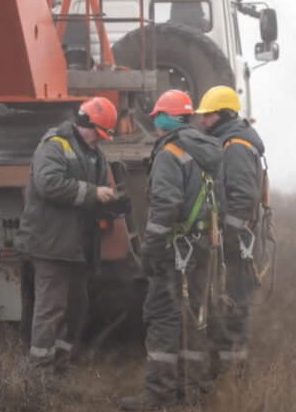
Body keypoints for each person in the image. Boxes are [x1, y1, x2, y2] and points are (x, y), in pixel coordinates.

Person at [120, 90, 223, 410]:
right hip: (202, 245)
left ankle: (157, 397)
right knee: (192, 317)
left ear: (166, 118)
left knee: (162, 317)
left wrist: (151, 250)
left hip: (174, 250)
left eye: (158, 116)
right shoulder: (207, 149)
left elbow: (165, 206)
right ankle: (188, 390)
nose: (155, 122)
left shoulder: (169, 153)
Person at [15, 96, 118, 371]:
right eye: (99, 133)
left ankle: (61, 363)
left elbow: (91, 195)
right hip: (50, 243)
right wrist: (93, 193)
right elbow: (49, 184)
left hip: (76, 246)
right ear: (85, 124)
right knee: (50, 308)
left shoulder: (95, 153)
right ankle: (40, 372)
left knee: (76, 307)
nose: (101, 139)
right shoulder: (53, 146)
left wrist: (108, 204)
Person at [195, 86, 266, 377]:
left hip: (236, 245)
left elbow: (242, 197)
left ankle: (232, 375)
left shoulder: (234, 145)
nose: (202, 121)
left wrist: (229, 238)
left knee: (233, 307)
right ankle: (227, 370)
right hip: (235, 242)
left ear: (223, 114)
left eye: (207, 115)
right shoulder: (231, 140)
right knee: (228, 305)